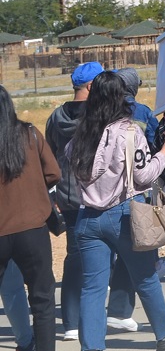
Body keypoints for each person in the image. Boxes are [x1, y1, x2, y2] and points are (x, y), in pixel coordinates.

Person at [68, 71, 165, 351]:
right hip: (122, 214)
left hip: (87, 217)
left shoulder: (81, 133)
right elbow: (144, 177)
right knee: (144, 277)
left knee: (93, 289)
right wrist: (164, 154)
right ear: (122, 96)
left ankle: (92, 347)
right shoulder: (129, 131)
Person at [0, 84, 61, 351]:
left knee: (11, 291)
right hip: (33, 229)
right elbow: (54, 174)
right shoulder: (29, 135)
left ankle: (24, 340)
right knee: (43, 300)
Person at [47, 61, 100, 342]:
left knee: (74, 256)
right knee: (100, 256)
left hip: (66, 195)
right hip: (95, 195)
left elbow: (51, 153)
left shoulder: (56, 116)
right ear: (92, 86)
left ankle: (70, 321)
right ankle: (94, 317)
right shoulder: (98, 115)